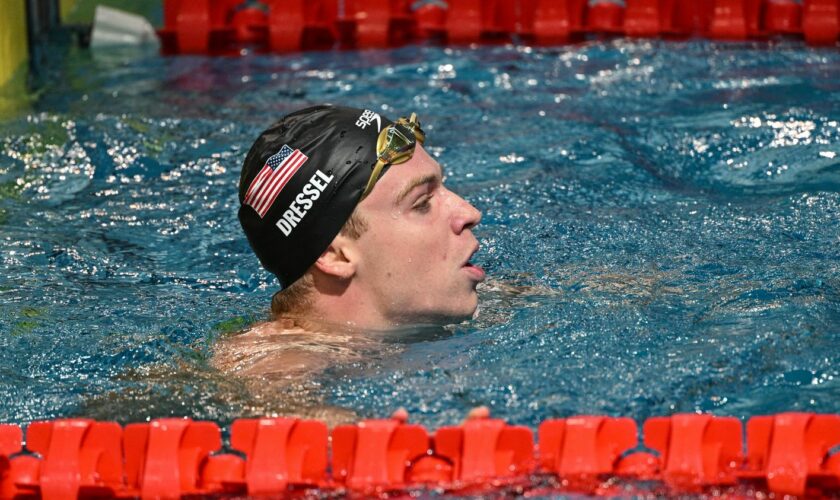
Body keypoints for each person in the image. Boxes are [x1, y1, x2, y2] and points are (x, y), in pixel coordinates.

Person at [213, 105, 486, 423]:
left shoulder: (482, 298)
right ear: (335, 255)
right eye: (422, 203)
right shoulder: (273, 364)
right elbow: (280, 414)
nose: (469, 212)